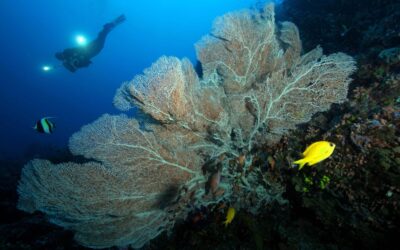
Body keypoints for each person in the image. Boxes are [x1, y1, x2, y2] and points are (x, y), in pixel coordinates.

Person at [55, 15, 126, 72]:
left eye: (61, 54)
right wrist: (74, 64)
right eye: (61, 56)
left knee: (101, 36)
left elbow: (75, 49)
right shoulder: (68, 62)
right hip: (93, 50)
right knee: (101, 37)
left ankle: (109, 26)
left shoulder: (67, 53)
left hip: (88, 48)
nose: (62, 55)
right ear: (61, 58)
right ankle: (109, 27)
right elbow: (75, 69)